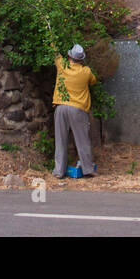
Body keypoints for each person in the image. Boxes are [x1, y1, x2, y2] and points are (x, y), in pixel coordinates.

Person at [52, 44, 97, 179]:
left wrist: (51, 36)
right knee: (82, 140)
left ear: (69, 56)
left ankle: (59, 171)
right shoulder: (86, 71)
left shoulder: (61, 65)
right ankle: (88, 169)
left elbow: (54, 51)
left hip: (61, 107)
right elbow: (93, 81)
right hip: (78, 109)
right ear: (81, 59)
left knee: (60, 141)